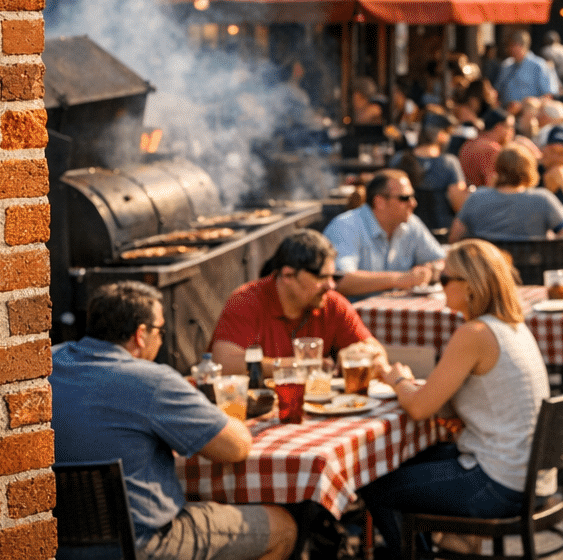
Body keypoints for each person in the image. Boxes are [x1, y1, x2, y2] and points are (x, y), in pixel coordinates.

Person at [52, 281, 298, 560]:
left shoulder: (48, 362)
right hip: (147, 544)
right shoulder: (151, 381)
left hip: (59, 545)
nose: (161, 339)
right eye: (161, 331)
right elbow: (235, 447)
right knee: (283, 528)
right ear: (141, 334)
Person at [361, 241, 554, 558]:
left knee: (374, 483)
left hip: (499, 484)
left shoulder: (474, 333)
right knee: (405, 462)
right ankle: (452, 544)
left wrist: (397, 379)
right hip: (532, 479)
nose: (439, 288)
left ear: (469, 286)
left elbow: (420, 407)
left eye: (444, 280)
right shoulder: (513, 326)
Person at [209, 229, 386, 374]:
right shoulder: (246, 301)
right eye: (320, 277)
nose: (330, 286)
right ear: (287, 275)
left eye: (333, 277)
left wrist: (357, 354)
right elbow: (224, 361)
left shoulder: (331, 303)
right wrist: (298, 365)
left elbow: (378, 352)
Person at [325, 169, 447, 301]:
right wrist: (400, 279)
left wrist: (431, 269)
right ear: (379, 202)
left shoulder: (411, 223)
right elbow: (340, 280)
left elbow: (441, 260)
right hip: (354, 317)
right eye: (404, 198)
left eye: (413, 197)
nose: (413, 203)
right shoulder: (345, 226)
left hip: (393, 315)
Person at [450, 146, 563, 244]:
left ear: (498, 168)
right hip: (533, 275)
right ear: (530, 170)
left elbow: (454, 238)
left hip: (487, 276)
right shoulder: (542, 199)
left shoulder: (476, 198)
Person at [392, 112, 470, 229]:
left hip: (405, 229)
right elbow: (460, 205)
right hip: (440, 232)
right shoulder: (449, 163)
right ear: (441, 135)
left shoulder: (398, 159)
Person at [494, 31, 558, 104]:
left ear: (521, 45)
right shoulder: (506, 65)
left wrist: (526, 105)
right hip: (505, 112)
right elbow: (498, 90)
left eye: (512, 45)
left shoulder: (539, 65)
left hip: (530, 113)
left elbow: (549, 95)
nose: (509, 49)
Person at [458, 108, 515, 188]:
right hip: (481, 197)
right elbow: (493, 185)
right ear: (499, 127)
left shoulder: (469, 143)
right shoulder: (491, 149)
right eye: (510, 127)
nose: (512, 131)